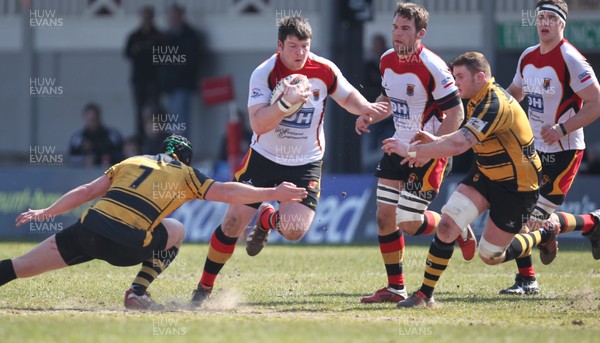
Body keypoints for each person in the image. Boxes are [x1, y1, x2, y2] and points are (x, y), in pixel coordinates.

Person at [188, 16, 389, 308]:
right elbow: (258, 124)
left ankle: (267, 218)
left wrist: (366, 110)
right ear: (279, 45)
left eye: (304, 46)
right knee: (232, 223)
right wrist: (285, 103)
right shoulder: (264, 73)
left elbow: (348, 97)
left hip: (305, 162)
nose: (299, 53)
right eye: (293, 46)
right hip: (264, 159)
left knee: (294, 230)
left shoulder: (324, 69)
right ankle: (203, 290)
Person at [2, 135, 307, 311]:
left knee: (18, 266)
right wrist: (274, 192)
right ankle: (137, 293)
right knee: (177, 230)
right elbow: (228, 191)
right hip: (128, 246)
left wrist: (45, 212)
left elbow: (85, 192)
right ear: (185, 160)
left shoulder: (131, 161)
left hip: (89, 231)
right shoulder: (187, 175)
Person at [383, 52, 562, 308]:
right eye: (454, 77)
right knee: (446, 226)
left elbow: (459, 145)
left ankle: (545, 232)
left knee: (490, 255)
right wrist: (435, 141)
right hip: (486, 174)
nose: (455, 82)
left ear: (480, 77)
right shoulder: (475, 97)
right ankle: (425, 295)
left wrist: (410, 151)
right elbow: (463, 136)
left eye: (460, 77)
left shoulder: (495, 104)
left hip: (517, 186)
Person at [354, 2, 475, 304]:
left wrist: (432, 146)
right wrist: (369, 113)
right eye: (395, 27)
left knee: (407, 221)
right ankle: (395, 288)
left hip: (428, 151)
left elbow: (456, 112)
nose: (397, 34)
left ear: (420, 33)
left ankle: (456, 226)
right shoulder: (385, 60)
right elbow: (388, 98)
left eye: (405, 29)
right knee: (384, 218)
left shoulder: (432, 65)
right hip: (398, 146)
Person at [498, 0, 600, 295]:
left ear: (562, 24)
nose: (544, 22)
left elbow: (596, 102)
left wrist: (562, 129)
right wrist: (492, 111)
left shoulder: (571, 58)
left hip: (564, 152)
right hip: (533, 150)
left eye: (551, 18)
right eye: (540, 17)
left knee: (528, 220)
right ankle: (590, 226)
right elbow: (514, 94)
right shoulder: (528, 56)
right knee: (519, 214)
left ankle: (530, 276)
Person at [160, 4, 208, 138]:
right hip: (169, 85)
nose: (173, 19)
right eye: (172, 17)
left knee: (181, 119)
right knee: (172, 120)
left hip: (182, 84)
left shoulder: (190, 35)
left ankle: (182, 151)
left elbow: (190, 59)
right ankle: (173, 150)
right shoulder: (167, 36)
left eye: (176, 16)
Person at [124, 5, 164, 141]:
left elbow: (164, 56)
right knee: (139, 111)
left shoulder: (159, 36)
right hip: (138, 79)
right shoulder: (134, 36)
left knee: (155, 112)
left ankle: (156, 139)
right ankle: (141, 139)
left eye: (149, 17)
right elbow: (127, 54)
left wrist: (144, 50)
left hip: (154, 79)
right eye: (144, 17)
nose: (146, 20)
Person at [69, 103, 124, 167]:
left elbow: (123, 155)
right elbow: (70, 158)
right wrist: (84, 160)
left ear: (99, 117)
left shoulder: (113, 135)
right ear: (85, 118)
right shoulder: (78, 138)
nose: (92, 121)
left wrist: (107, 157)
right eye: (90, 119)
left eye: (94, 118)